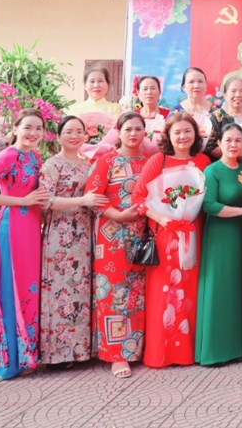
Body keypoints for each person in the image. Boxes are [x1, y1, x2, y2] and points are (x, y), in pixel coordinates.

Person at [0, 108, 50, 379]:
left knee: (28, 290)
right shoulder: (7, 156)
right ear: (15, 128)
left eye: (38, 128)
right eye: (27, 127)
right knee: (10, 291)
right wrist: (23, 201)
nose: (33, 133)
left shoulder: (35, 157)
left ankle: (26, 357)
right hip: (11, 228)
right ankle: (8, 363)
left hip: (31, 229)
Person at [133, 112, 211, 368]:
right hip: (164, 233)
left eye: (188, 131)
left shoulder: (203, 161)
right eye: (177, 132)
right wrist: (161, 218)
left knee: (191, 289)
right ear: (168, 135)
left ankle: (188, 352)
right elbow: (138, 198)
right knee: (164, 292)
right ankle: (161, 353)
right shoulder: (158, 160)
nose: (183, 136)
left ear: (195, 135)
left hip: (193, 231)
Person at [38, 116, 106, 367]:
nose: (74, 136)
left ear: (86, 136)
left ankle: (81, 350)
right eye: (69, 131)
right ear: (59, 136)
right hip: (61, 235)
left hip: (85, 234)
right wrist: (82, 201)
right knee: (61, 291)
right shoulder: (52, 165)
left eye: (79, 131)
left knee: (81, 290)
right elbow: (45, 201)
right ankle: (58, 354)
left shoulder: (89, 164)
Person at [87, 112, 149, 378]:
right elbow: (93, 196)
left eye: (138, 129)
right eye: (128, 129)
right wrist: (118, 215)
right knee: (112, 293)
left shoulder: (149, 162)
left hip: (141, 235)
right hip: (111, 235)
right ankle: (116, 355)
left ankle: (136, 348)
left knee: (138, 294)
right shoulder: (107, 160)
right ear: (119, 132)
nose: (133, 134)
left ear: (145, 132)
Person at [196, 124, 242, 366]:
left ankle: (239, 346)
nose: (233, 145)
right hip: (220, 235)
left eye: (238, 140)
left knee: (239, 288)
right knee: (219, 287)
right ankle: (215, 350)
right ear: (219, 143)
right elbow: (208, 204)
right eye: (228, 140)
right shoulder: (212, 170)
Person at [205, 77, 242, 163]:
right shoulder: (216, 117)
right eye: (233, 91)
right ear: (225, 95)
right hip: (225, 166)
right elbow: (210, 147)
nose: (238, 95)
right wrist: (237, 156)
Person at [171, 67, 218, 136]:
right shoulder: (176, 112)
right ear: (184, 87)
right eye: (191, 82)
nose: (196, 86)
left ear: (205, 86)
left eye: (200, 81)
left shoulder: (217, 111)